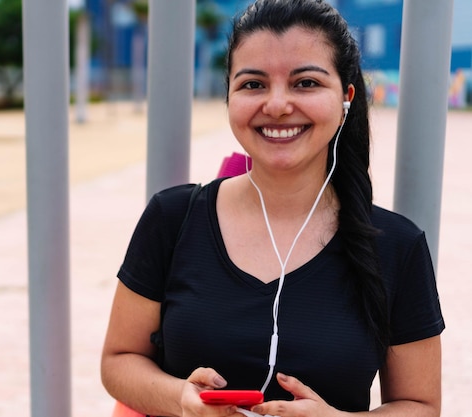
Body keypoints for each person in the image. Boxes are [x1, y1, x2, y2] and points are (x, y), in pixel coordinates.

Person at [101, 0, 445, 416]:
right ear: (228, 93)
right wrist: (180, 401)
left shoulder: (397, 246)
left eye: (305, 83)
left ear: (346, 97)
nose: (277, 104)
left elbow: (420, 405)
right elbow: (118, 361)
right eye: (253, 84)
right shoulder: (172, 218)